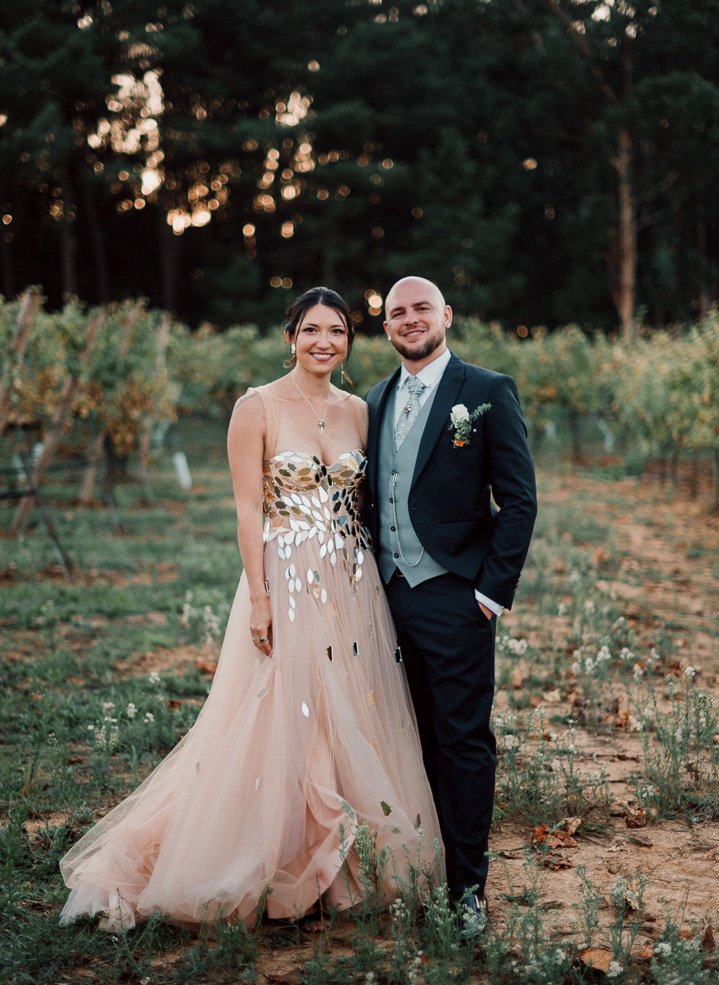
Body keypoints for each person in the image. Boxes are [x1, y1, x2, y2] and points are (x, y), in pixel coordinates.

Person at [59, 286, 442, 931]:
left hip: (351, 581)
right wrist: (260, 599)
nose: (325, 341)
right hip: (286, 580)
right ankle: (266, 857)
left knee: (347, 709)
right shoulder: (256, 407)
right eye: (313, 329)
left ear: (350, 341)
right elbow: (246, 510)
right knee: (281, 712)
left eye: (339, 330)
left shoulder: (359, 410)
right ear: (290, 335)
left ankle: (343, 862)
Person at [364, 276, 537, 939]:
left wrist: (489, 593)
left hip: (454, 596)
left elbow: (517, 499)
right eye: (395, 313)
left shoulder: (486, 391)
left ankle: (467, 891)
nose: (409, 320)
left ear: (446, 316)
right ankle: (418, 872)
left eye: (420, 309)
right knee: (410, 740)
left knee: (462, 742)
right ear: (384, 327)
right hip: (383, 597)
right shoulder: (373, 399)